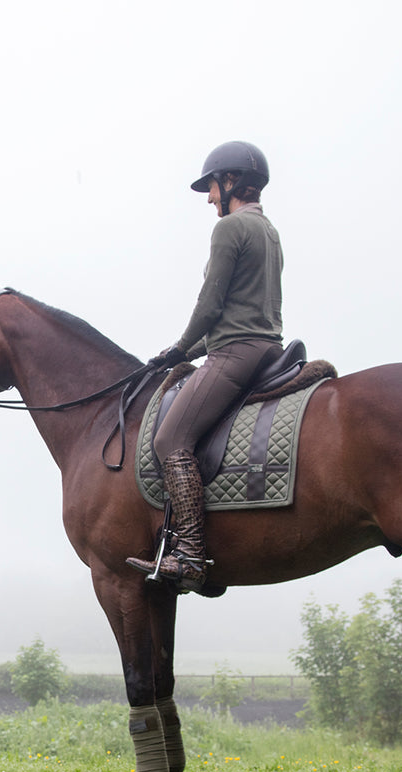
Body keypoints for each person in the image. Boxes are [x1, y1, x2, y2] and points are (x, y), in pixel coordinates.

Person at [126, 141, 284, 591]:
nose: (210, 198)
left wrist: (180, 347)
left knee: (170, 437)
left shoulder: (230, 228)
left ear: (230, 180)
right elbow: (243, 306)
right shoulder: (268, 230)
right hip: (267, 346)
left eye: (212, 187)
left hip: (236, 353)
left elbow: (211, 303)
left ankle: (191, 554)